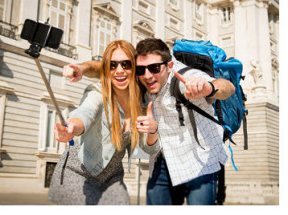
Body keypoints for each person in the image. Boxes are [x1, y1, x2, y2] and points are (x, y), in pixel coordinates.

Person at [63, 38, 235, 205]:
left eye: (154, 68)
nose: (147, 75)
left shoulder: (185, 78)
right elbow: (105, 69)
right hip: (164, 160)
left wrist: (207, 87)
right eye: (141, 69)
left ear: (169, 66)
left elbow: (227, 88)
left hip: (200, 161)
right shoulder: (140, 81)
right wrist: (81, 68)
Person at [48, 40, 158, 205]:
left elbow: (147, 148)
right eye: (113, 65)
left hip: (112, 180)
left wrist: (152, 131)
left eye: (126, 64)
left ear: (134, 67)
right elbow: (85, 112)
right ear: (107, 69)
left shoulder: (141, 105)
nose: (119, 70)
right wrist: (72, 127)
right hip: (78, 174)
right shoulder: (98, 92)